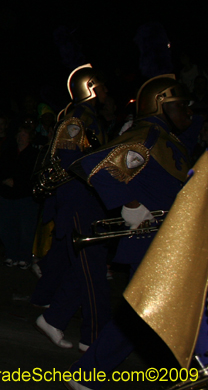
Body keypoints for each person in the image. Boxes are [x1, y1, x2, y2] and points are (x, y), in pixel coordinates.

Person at [66, 74, 194, 390]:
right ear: (160, 105)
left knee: (145, 318)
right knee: (143, 317)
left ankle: (87, 375)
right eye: (179, 106)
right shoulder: (147, 135)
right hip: (151, 239)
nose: (186, 111)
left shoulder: (167, 139)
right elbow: (96, 166)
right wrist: (131, 206)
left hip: (169, 239)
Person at [33, 64, 110, 352]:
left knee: (87, 270)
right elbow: (70, 162)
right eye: (100, 86)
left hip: (89, 201)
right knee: (92, 274)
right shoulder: (76, 120)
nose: (105, 91)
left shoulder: (91, 119)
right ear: (89, 87)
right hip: (78, 201)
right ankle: (93, 336)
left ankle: (54, 319)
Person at [0, 122, 39, 269]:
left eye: (24, 135)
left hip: (25, 197)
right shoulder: (9, 151)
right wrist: (4, 181)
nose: (21, 137)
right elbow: (0, 169)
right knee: (7, 228)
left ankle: (24, 257)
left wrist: (17, 183)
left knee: (25, 229)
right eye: (19, 134)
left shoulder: (34, 155)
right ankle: (11, 255)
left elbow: (33, 177)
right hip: (7, 196)